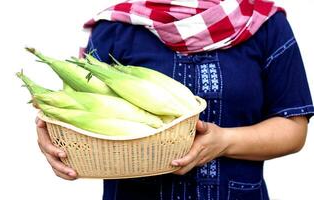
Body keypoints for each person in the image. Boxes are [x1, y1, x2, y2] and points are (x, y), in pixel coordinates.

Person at [35, 0, 314, 199]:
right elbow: (85, 114)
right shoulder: (115, 27)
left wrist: (224, 142)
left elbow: (293, 129)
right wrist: (54, 137)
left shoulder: (264, 23)